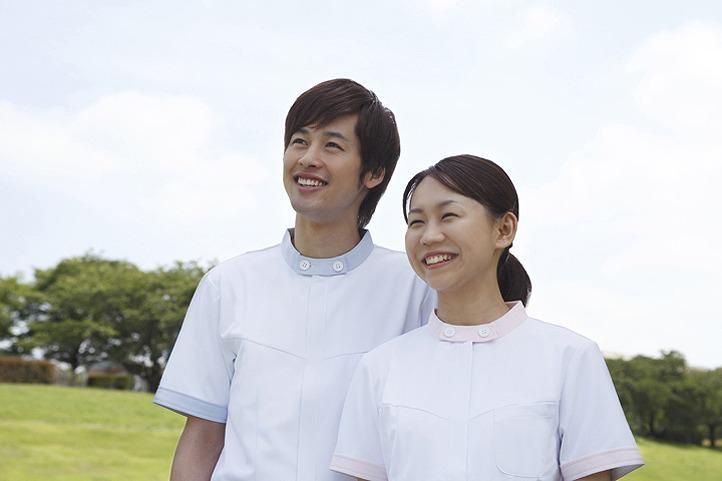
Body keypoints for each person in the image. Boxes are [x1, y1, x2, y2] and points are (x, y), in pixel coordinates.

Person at [154, 79, 435, 481]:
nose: (308, 158)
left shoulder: (416, 289)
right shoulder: (227, 284)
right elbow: (201, 440)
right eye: (299, 141)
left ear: (373, 172)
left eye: (332, 146)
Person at [330, 155, 644, 481]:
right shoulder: (380, 368)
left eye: (449, 216)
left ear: (504, 229)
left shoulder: (571, 358)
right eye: (416, 221)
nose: (429, 236)